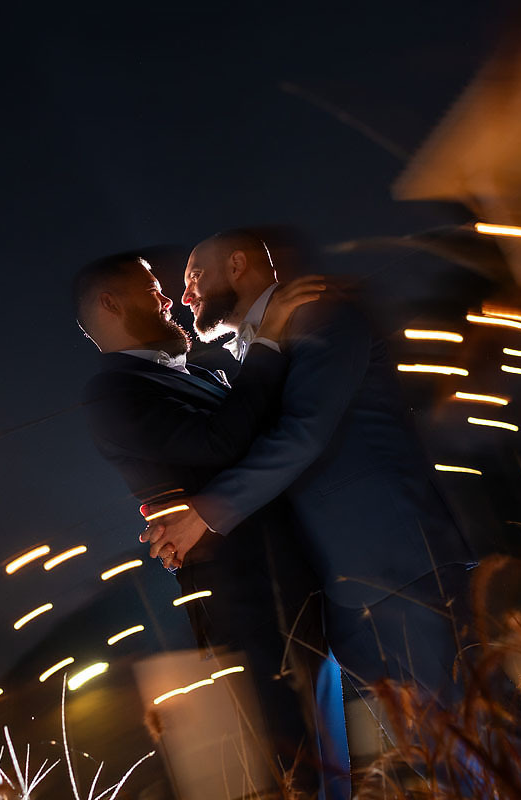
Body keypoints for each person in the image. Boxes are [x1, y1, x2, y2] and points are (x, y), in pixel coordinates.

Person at [142, 230, 476, 700]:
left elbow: (303, 432)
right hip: (345, 594)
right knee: (427, 739)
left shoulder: (321, 313)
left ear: (237, 265)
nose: (185, 295)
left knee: (479, 724)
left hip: (401, 568)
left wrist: (202, 515)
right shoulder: (258, 348)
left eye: (194, 276)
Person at [74, 252, 341, 796]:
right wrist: (267, 339)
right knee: (296, 765)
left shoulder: (193, 374)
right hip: (245, 599)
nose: (167, 298)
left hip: (291, 580)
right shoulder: (112, 393)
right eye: (151, 287)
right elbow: (221, 440)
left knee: (330, 754)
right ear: (110, 303)